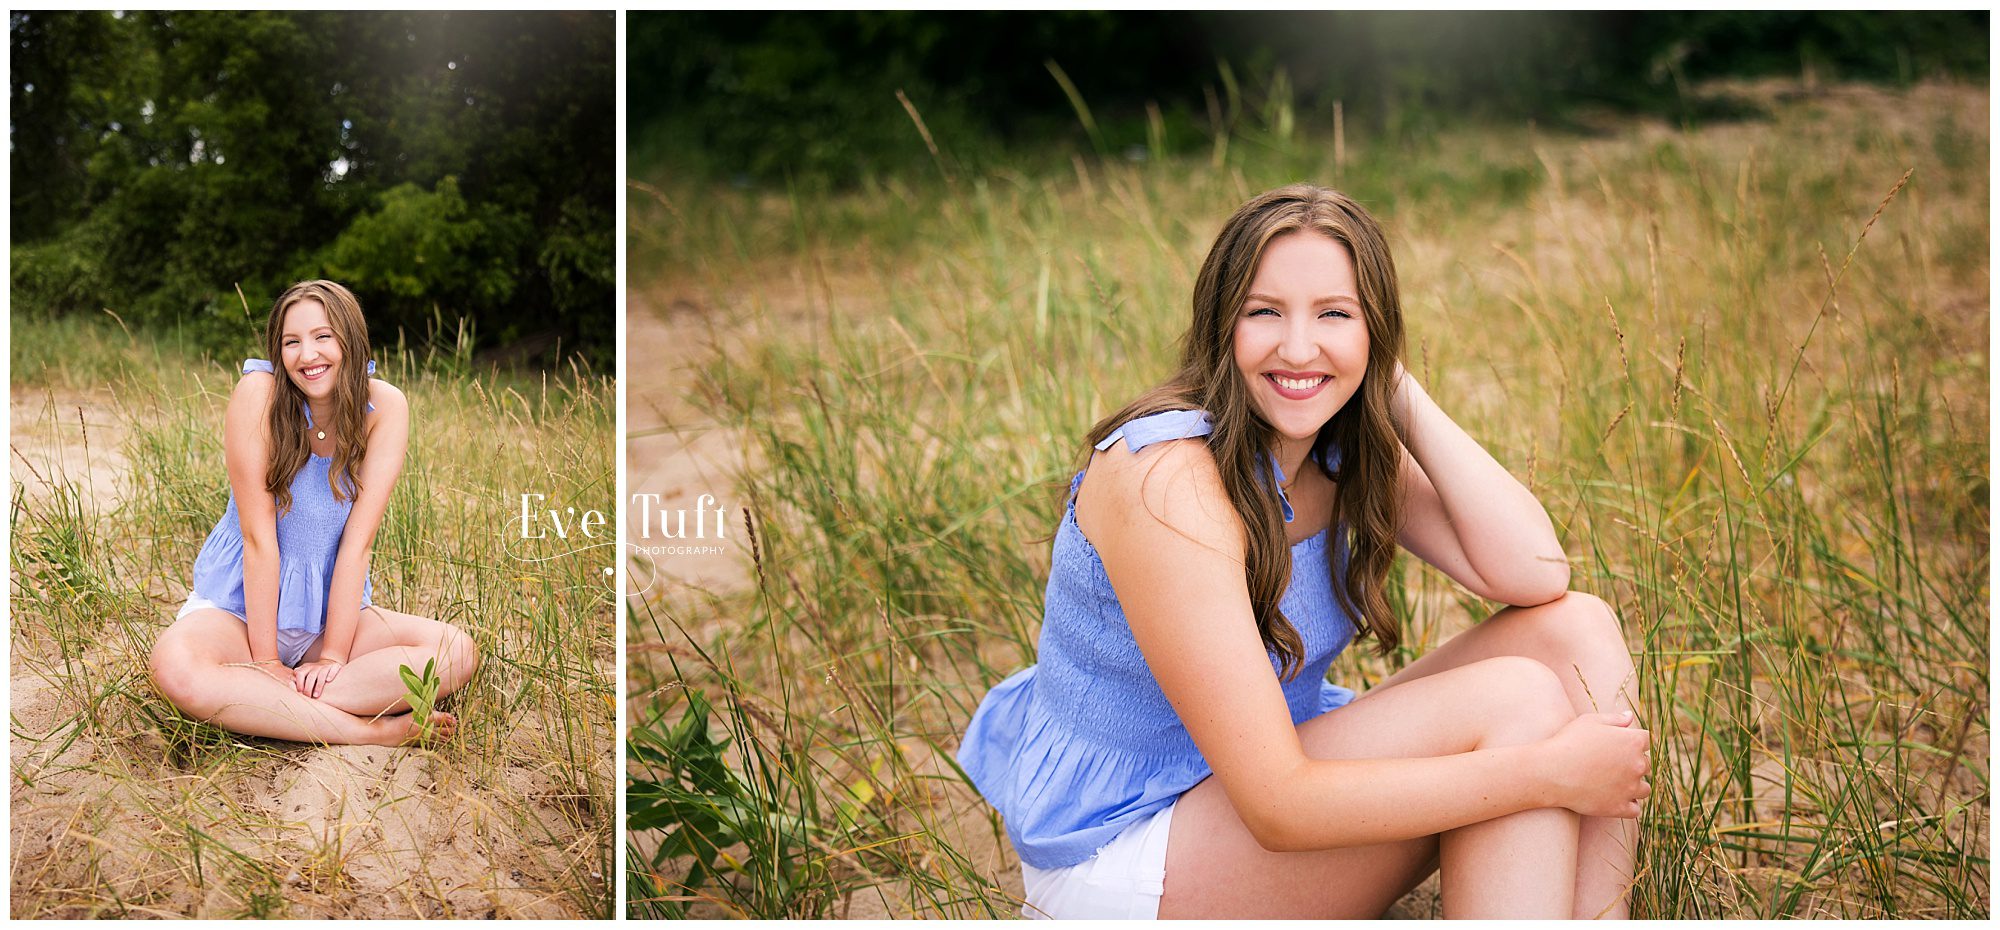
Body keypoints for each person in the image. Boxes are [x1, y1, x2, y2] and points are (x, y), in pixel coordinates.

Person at [957, 185, 1648, 919]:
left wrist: (1385, 381)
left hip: (1243, 791)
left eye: (1334, 314)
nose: (1296, 347)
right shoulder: (1167, 481)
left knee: (1577, 630)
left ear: (1375, 330)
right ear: (1222, 324)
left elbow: (1535, 573)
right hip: (1125, 857)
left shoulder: (1336, 448)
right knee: (1518, 702)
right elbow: (1279, 806)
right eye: (1264, 312)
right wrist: (1544, 775)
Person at [149, 280, 478, 747]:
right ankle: (368, 732)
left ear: (350, 339)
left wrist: (333, 659)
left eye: (323, 336)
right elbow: (259, 540)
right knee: (173, 668)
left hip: (329, 618)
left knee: (456, 651)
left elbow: (357, 545)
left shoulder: (385, 407)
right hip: (241, 614)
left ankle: (275, 704)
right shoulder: (259, 394)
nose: (307, 354)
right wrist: (266, 663)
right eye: (291, 341)